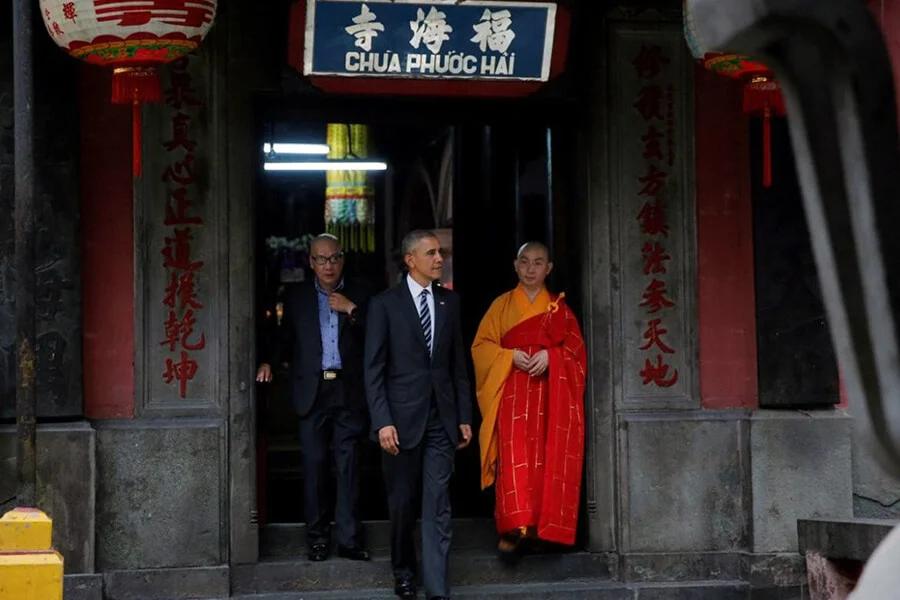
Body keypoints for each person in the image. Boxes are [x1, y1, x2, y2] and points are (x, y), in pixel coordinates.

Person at [364, 229, 473, 600]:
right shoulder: (384, 305)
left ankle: (437, 589)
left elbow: (458, 365)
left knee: (438, 502)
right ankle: (404, 572)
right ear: (410, 260)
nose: (439, 258)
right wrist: (382, 421)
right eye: (431, 253)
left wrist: (463, 415)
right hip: (399, 422)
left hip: (441, 419)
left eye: (440, 252)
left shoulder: (450, 302)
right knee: (403, 504)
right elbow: (373, 369)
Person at [257, 233, 373, 563]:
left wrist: (351, 309)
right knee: (315, 466)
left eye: (334, 258)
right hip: (313, 390)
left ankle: (349, 540)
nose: (328, 265)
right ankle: (318, 539)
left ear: (343, 259)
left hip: (349, 390)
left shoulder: (363, 293)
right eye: (321, 259)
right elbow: (284, 338)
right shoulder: (297, 297)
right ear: (311, 263)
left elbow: (379, 334)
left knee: (348, 466)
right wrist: (268, 361)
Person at [471, 241, 587, 555]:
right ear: (515, 265)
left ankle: (543, 526)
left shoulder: (559, 309)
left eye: (538, 263)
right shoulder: (501, 306)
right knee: (515, 458)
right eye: (524, 261)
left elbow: (576, 354)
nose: (530, 269)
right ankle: (514, 525)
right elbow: (481, 348)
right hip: (512, 394)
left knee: (547, 458)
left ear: (548, 269)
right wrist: (508, 356)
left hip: (550, 396)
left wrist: (553, 357)